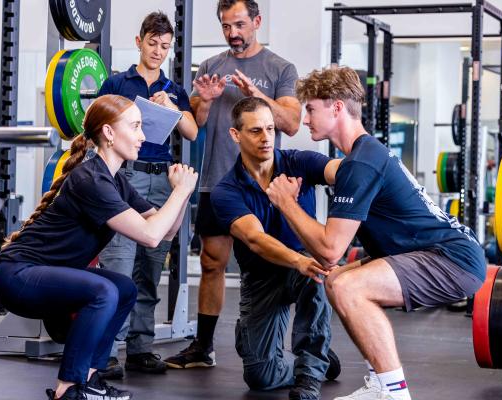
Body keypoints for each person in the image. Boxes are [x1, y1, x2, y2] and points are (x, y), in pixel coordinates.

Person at [265, 66, 486, 400]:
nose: (305, 119)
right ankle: (381, 384)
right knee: (337, 281)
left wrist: (285, 202)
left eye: (310, 109)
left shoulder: (361, 163)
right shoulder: (362, 156)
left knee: (348, 286)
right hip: (436, 252)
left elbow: (329, 249)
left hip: (451, 259)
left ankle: (393, 392)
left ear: (336, 107)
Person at [0, 95, 198, 400]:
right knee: (105, 291)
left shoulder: (115, 181)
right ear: (109, 133)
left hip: (47, 273)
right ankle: (68, 389)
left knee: (124, 288)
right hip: (18, 275)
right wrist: (180, 192)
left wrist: (180, 196)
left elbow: (166, 232)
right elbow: (150, 236)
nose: (143, 136)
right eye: (135, 127)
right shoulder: (91, 179)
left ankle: (89, 379)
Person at [165, 0, 302, 369]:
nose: (233, 34)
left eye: (240, 24)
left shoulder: (280, 68)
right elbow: (194, 125)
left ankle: (306, 348)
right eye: (226, 26)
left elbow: (291, 123)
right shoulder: (211, 67)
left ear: (256, 21)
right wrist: (205, 102)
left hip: (262, 186)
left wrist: (257, 97)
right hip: (216, 181)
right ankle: (203, 347)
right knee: (212, 262)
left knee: (275, 264)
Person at [212, 97, 339, 399]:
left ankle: (309, 374)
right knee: (261, 377)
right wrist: (296, 260)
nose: (266, 138)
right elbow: (255, 239)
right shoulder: (225, 191)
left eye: (270, 129)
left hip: (304, 269)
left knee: (316, 273)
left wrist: (361, 164)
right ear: (235, 135)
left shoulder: (298, 163)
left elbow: (341, 171)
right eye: (255, 131)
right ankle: (316, 361)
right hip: (261, 278)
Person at [95, 11, 198, 379]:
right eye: (152, 43)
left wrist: (171, 107)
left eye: (165, 46)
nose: (158, 51)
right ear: (139, 42)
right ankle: (104, 353)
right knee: (119, 266)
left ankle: (140, 348)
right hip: (126, 178)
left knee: (150, 270)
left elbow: (191, 132)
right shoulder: (118, 83)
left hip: (161, 181)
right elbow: (95, 127)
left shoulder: (175, 89)